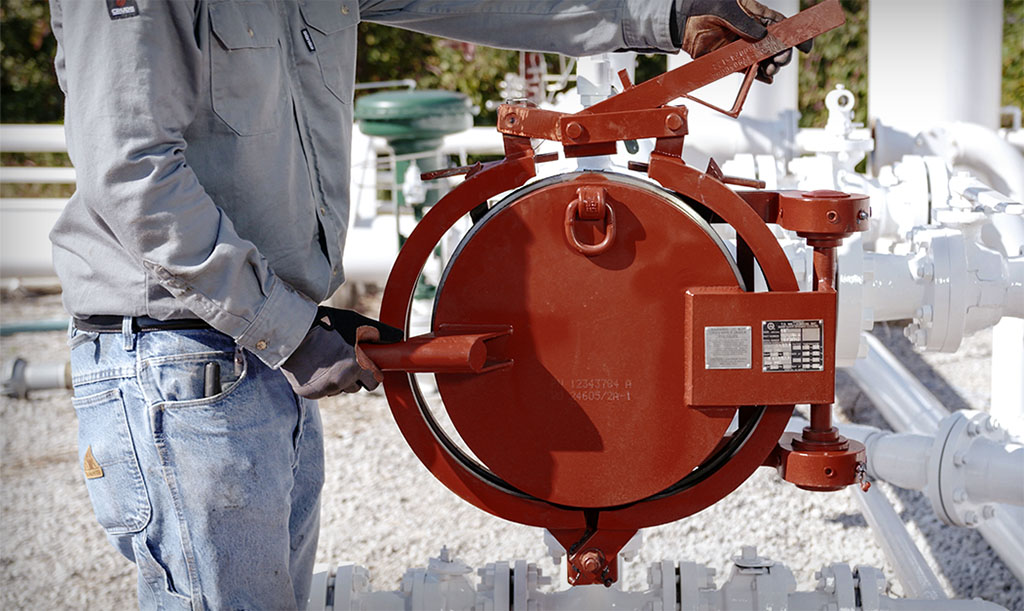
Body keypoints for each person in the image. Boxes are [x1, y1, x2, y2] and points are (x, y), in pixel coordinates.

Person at [49, 0, 805, 608]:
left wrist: (670, 15)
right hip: (182, 365)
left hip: (254, 366)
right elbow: (132, 171)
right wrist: (288, 328)